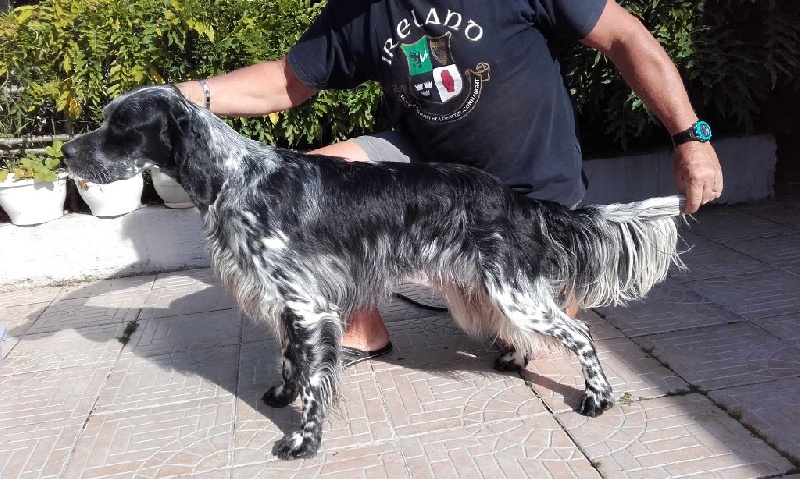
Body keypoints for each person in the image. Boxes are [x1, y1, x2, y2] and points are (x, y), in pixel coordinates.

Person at [175, 0, 723, 366]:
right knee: (311, 185)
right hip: (430, 180)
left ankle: (508, 285)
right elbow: (286, 81)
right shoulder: (361, 8)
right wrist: (179, 98)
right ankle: (360, 327)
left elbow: (625, 36)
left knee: (522, 335)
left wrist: (689, 136)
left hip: (526, 196)